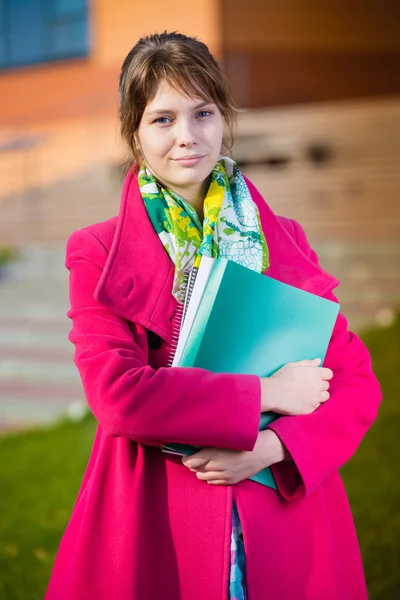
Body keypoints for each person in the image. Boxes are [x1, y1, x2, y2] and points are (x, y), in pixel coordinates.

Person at [45, 31, 382, 600]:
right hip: (161, 523)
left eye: (202, 112)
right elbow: (118, 395)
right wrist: (266, 394)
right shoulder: (97, 251)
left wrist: (274, 449)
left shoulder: (283, 239)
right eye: (162, 119)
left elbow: (356, 384)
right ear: (133, 133)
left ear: (225, 118)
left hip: (284, 514)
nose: (186, 137)